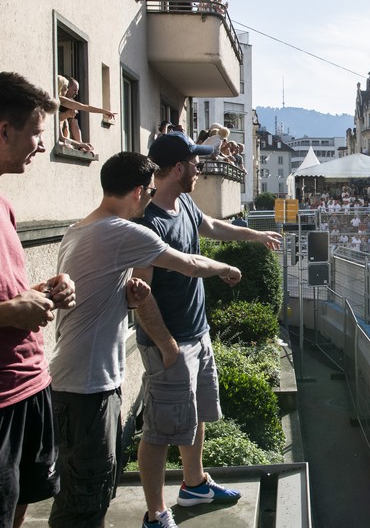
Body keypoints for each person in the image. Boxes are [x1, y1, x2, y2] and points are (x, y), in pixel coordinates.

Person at [48, 152, 242, 528]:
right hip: (87, 385)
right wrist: (227, 268)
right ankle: (156, 515)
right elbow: (189, 263)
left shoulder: (78, 229)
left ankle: (192, 484)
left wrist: (126, 294)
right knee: (86, 498)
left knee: (83, 491)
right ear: (138, 191)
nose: (151, 199)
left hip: (72, 379)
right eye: (149, 192)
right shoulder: (121, 231)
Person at [133, 132, 282, 528]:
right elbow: (140, 294)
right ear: (178, 168)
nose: (201, 168)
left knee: (195, 412)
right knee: (159, 430)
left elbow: (214, 226)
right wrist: (166, 346)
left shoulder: (182, 202)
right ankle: (156, 513)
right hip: (170, 343)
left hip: (196, 334)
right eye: (196, 163)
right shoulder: (147, 223)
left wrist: (256, 236)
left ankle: (195, 484)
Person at [0, 71, 76, 528]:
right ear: (4, 130)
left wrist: (42, 290)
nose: (42, 146)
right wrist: (9, 312)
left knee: (21, 506)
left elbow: (10, 291)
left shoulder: (4, 203)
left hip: (30, 385)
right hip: (3, 396)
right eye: (36, 133)